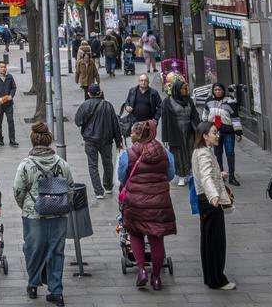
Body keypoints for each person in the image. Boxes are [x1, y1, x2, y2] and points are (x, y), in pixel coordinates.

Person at [13, 122, 73, 305]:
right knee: (57, 251)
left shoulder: (25, 165)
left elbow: (18, 190)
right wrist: (62, 204)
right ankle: (56, 291)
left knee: (32, 249)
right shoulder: (62, 164)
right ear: (48, 141)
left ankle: (33, 284)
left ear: (33, 141)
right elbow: (70, 188)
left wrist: (26, 206)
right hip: (58, 215)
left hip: (34, 215)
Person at [117, 120, 177, 291]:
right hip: (159, 202)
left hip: (135, 202)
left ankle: (142, 270)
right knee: (157, 239)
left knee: (135, 234)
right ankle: (156, 278)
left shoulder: (127, 154)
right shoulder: (165, 153)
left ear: (138, 135)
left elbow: (122, 177)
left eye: (133, 133)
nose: (130, 135)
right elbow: (171, 175)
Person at [192, 121, 235, 290]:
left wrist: (219, 174)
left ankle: (211, 277)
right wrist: (214, 196)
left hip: (205, 201)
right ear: (205, 136)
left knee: (209, 241)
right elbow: (205, 177)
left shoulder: (201, 151)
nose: (217, 135)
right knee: (215, 242)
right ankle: (217, 280)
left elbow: (209, 173)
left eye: (217, 132)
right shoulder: (204, 153)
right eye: (214, 132)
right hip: (210, 202)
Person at [74, 83, 122, 199]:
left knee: (93, 165)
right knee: (108, 163)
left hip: (90, 140)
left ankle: (98, 191)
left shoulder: (85, 105)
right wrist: (118, 140)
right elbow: (115, 124)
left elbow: (78, 121)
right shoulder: (108, 105)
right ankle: (108, 186)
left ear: (89, 93)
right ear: (100, 93)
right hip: (106, 140)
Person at [161, 78, 199, 186]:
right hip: (175, 131)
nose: (186, 90)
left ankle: (190, 172)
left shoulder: (189, 100)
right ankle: (181, 175)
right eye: (183, 88)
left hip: (189, 130)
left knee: (191, 152)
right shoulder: (168, 102)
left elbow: (194, 115)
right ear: (177, 89)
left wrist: (199, 129)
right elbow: (165, 120)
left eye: (186, 88)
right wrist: (165, 137)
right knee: (178, 153)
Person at [203, 83, 242, 186]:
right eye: (215, 90)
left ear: (223, 91)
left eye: (219, 90)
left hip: (228, 132)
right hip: (215, 132)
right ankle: (220, 176)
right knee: (217, 155)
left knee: (230, 154)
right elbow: (205, 116)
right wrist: (205, 130)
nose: (217, 92)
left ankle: (232, 177)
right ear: (213, 91)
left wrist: (238, 132)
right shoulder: (209, 101)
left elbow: (235, 118)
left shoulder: (230, 101)